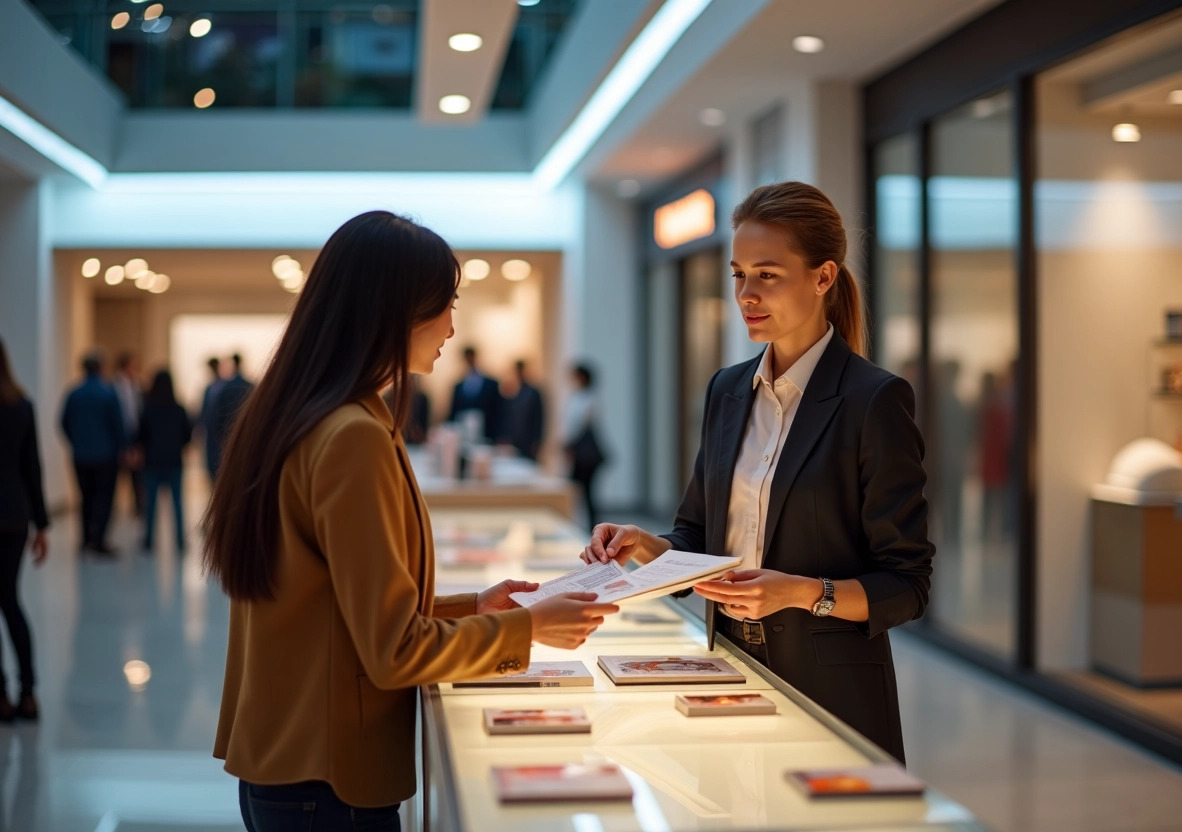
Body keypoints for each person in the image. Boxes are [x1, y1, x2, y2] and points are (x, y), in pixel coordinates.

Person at [203, 211, 617, 829]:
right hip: (329, 777)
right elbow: (393, 651)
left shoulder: (308, 412)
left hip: (291, 762)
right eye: (447, 305)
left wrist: (472, 606)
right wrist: (527, 629)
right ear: (396, 311)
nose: (453, 326)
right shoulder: (350, 435)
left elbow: (338, 608)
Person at [580, 182, 933, 762]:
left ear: (823, 278)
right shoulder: (727, 389)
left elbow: (908, 586)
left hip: (833, 697)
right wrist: (645, 545)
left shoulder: (874, 400)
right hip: (729, 671)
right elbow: (697, 537)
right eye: (738, 274)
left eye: (767, 274)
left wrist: (797, 593)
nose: (747, 294)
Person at [0, 337, 49, 721]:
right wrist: (43, 526)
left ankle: (1, 695)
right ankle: (28, 693)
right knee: (11, 601)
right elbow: (32, 468)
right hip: (14, 516)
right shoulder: (21, 405)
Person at [60, 350, 125, 556]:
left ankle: (86, 539)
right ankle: (99, 541)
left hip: (81, 456)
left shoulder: (74, 393)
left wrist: (76, 442)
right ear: (100, 367)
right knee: (103, 498)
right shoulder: (107, 393)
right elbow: (118, 425)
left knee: (85, 497)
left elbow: (64, 422)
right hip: (105, 456)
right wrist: (121, 447)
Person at [138, 370, 193, 553]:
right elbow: (187, 435)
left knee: (151, 504)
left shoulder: (148, 409)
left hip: (152, 461)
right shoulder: (178, 409)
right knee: (177, 504)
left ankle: (148, 540)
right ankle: (179, 541)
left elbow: (140, 435)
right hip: (174, 461)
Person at [563, 363, 607, 528]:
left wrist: (568, 444)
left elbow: (579, 426)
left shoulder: (588, 399)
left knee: (586, 492)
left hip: (585, 455)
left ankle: (592, 528)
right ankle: (582, 524)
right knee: (579, 492)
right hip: (581, 453)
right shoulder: (578, 398)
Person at [206, 353, 253, 479]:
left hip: (226, 437)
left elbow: (217, 417)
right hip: (246, 438)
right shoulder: (250, 386)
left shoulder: (225, 388)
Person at [113, 352, 145, 517]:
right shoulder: (114, 386)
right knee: (117, 474)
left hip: (135, 435)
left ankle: (138, 507)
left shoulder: (138, 386)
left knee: (137, 475)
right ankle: (114, 508)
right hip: (118, 435)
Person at [448, 346, 501, 442]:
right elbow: (454, 409)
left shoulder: (490, 383)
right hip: (463, 431)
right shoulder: (459, 385)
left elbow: (497, 410)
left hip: (486, 432)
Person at [500, 359, 545, 460]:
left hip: (528, 439)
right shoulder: (511, 390)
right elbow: (506, 415)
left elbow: (538, 418)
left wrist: (537, 440)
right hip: (513, 439)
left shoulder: (533, 392)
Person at [199, 356, 226, 482]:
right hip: (211, 430)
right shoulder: (210, 388)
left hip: (220, 430)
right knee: (211, 462)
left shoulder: (224, 386)